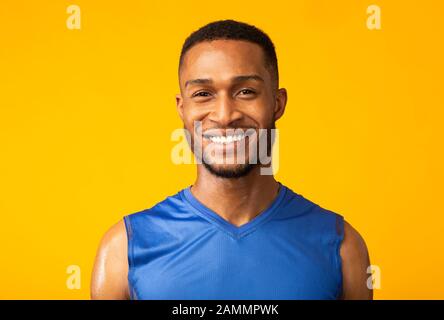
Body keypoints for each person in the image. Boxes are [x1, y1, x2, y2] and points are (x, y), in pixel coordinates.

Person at [91, 19, 372, 300]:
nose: (225, 115)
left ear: (277, 103)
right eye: (203, 94)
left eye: (245, 92)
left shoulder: (342, 248)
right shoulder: (123, 250)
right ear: (182, 108)